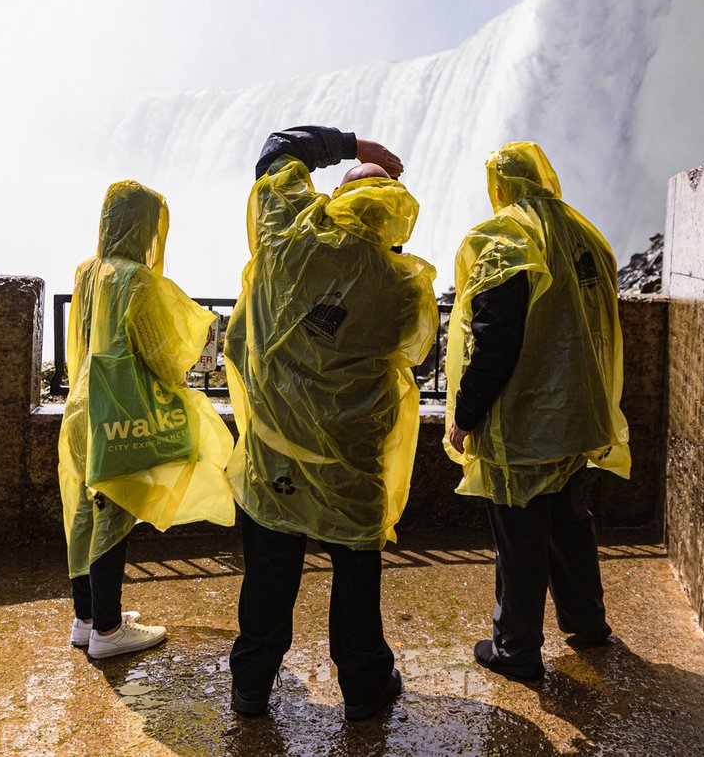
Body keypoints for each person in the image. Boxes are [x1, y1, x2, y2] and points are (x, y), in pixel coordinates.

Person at [225, 130, 437, 721]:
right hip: (351, 458)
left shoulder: (287, 236)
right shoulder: (402, 285)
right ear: (394, 215)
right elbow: (412, 351)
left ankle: (252, 687)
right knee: (356, 577)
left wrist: (351, 143)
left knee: (269, 571)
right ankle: (365, 689)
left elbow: (276, 150)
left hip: (276, 454)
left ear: (334, 201)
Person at [444, 141, 630, 681]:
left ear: (500, 186)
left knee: (518, 536)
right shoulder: (583, 232)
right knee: (571, 523)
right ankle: (587, 625)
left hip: (523, 421)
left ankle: (516, 649)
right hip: (578, 414)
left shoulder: (503, 235)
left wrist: (467, 411)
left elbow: (494, 337)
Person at [58, 180, 236, 659]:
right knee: (115, 511)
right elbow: (161, 352)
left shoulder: (87, 272)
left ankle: (87, 617)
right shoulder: (135, 278)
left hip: (81, 408)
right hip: (120, 411)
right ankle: (110, 631)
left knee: (83, 512)